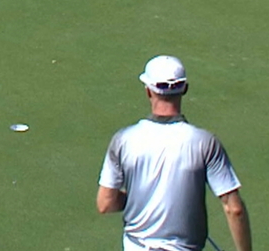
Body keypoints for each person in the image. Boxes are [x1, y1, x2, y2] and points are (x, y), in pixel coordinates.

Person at [97, 55, 253, 251]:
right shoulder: (204, 142)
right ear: (185, 89)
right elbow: (234, 208)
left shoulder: (123, 140)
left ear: (148, 91)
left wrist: (145, 198)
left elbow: (106, 203)